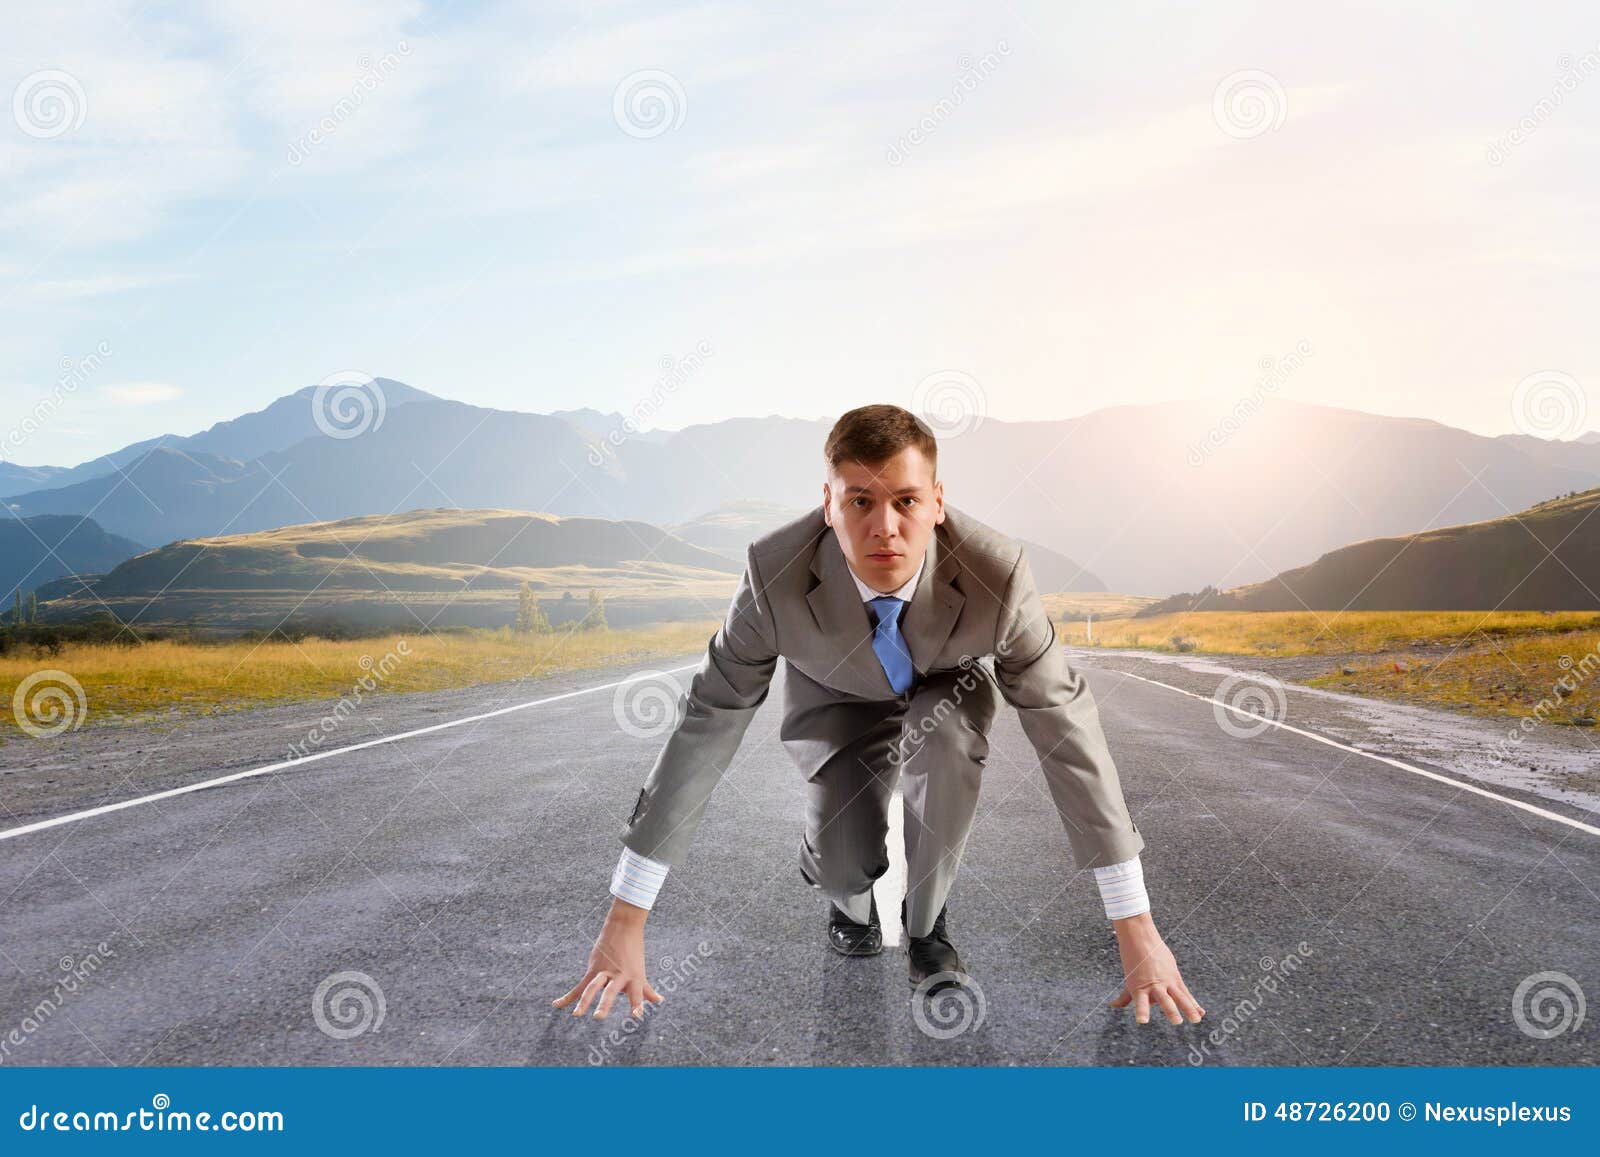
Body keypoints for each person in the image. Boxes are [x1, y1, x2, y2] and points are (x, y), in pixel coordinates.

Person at [552, 404, 1204, 1027]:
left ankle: (927, 928)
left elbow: (1067, 729)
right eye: (860, 500)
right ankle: (846, 889)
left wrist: (1135, 926)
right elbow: (710, 718)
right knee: (844, 857)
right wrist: (625, 921)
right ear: (829, 505)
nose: (884, 526)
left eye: (906, 501)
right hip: (837, 698)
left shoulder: (998, 575)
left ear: (938, 503)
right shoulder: (773, 571)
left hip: (944, 690)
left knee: (945, 744)